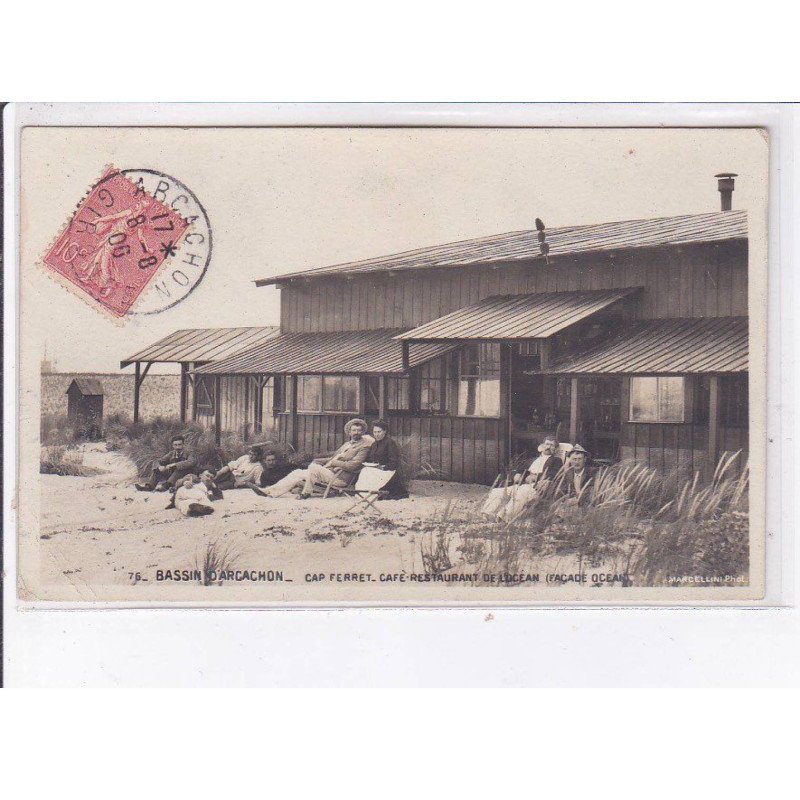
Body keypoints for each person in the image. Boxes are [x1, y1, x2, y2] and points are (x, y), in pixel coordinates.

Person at [265, 418, 373, 499]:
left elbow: (353, 465)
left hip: (340, 478)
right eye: (354, 430)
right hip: (329, 473)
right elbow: (333, 457)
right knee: (297, 472)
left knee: (313, 468)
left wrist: (334, 462)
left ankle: (306, 493)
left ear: (363, 432)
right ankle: (269, 491)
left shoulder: (364, 447)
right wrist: (319, 460)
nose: (356, 433)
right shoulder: (346, 444)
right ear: (349, 432)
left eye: (359, 430)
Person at [481, 436, 563, 522]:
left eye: (551, 445)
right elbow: (516, 470)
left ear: (555, 449)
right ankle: (487, 514)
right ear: (542, 446)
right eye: (546, 444)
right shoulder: (532, 460)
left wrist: (536, 477)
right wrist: (516, 474)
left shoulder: (557, 461)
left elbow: (554, 474)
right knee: (497, 491)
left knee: (522, 491)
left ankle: (503, 518)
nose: (548, 447)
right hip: (520, 484)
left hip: (536, 487)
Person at [366, 420, 409, 500]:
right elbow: (369, 458)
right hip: (375, 471)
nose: (376, 434)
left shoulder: (390, 443)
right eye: (374, 432)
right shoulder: (374, 444)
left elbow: (394, 462)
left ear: (385, 431)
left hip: (388, 472)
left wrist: (382, 467)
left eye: (379, 432)